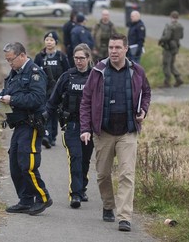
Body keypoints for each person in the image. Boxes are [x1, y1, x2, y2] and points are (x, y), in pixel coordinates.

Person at [80, 33, 151, 232]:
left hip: (128, 131)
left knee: (126, 174)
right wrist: (85, 128)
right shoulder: (98, 71)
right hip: (103, 132)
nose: (113, 51)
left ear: (126, 49)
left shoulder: (137, 71)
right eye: (111, 47)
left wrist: (144, 110)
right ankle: (108, 204)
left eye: (118, 48)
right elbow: (86, 100)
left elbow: (146, 92)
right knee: (103, 174)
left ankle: (124, 216)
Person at [0, 42, 53, 215]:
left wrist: (12, 100)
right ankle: (25, 200)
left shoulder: (35, 73)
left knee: (27, 164)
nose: (9, 63)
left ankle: (43, 197)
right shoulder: (15, 72)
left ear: (22, 55)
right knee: (15, 163)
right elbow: (10, 91)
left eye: (11, 60)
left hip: (31, 124)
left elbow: (37, 98)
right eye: (7, 60)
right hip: (19, 125)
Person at [45, 43, 94, 208]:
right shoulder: (67, 77)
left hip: (90, 126)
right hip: (71, 124)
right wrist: (45, 117)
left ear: (88, 59)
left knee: (85, 159)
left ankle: (82, 187)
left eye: (82, 58)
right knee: (76, 157)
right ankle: (76, 194)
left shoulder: (96, 77)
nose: (79, 61)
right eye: (76, 58)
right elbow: (53, 100)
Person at [34, 31, 70, 148]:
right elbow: (34, 72)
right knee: (45, 112)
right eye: (47, 40)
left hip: (57, 90)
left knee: (55, 113)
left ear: (56, 42)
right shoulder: (39, 57)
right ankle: (46, 136)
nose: (49, 42)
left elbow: (67, 72)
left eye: (51, 40)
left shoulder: (61, 56)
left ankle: (53, 136)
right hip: (43, 90)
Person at [158, 10, 184, 88]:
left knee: (166, 64)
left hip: (168, 47)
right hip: (175, 46)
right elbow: (181, 36)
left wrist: (161, 40)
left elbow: (167, 37)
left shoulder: (170, 26)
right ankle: (178, 79)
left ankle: (167, 82)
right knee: (172, 64)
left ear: (171, 17)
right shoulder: (180, 26)